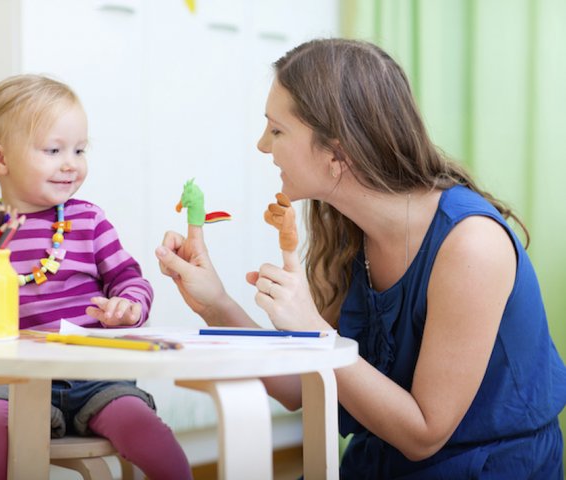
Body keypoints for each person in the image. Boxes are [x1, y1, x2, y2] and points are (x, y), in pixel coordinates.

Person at [155, 38, 566, 479]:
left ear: (337, 152)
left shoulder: (471, 246)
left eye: (277, 130)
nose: (261, 145)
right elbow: (302, 388)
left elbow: (424, 433)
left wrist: (313, 327)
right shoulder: (346, 231)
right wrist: (216, 302)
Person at [0, 74, 191, 480]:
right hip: (13, 382)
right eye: (54, 150)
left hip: (97, 378)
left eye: (79, 149)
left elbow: (130, 278)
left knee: (145, 429)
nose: (70, 163)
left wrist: (128, 307)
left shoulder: (88, 220)